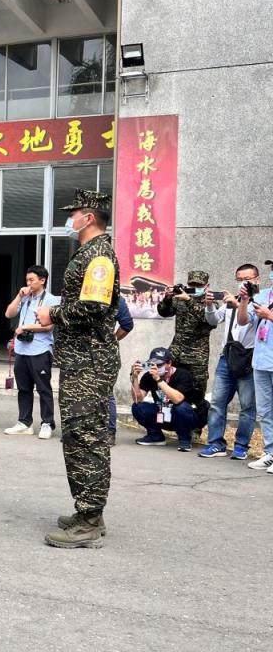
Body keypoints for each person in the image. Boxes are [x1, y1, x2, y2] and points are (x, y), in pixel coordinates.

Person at [35, 189, 119, 549]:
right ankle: (89, 511)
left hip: (91, 362)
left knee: (85, 436)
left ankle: (89, 518)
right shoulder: (89, 254)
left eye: (74, 215)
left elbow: (93, 308)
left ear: (88, 217)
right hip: (82, 359)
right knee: (79, 435)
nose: (69, 221)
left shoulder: (98, 256)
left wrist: (52, 314)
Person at [199, 264, 259, 459]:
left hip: (249, 358)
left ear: (257, 280)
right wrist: (209, 304)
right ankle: (215, 443)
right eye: (240, 279)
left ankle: (241, 446)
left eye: (248, 279)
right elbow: (213, 320)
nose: (244, 282)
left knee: (248, 406)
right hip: (227, 357)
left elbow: (249, 321)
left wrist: (240, 302)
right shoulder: (230, 301)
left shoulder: (261, 302)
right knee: (217, 402)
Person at [4, 265, 61, 439]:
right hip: (22, 350)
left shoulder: (51, 300)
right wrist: (19, 296)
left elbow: (49, 326)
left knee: (43, 388)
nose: (28, 283)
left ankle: (47, 423)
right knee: (23, 388)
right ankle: (24, 422)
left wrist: (25, 327)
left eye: (32, 280)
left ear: (42, 280)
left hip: (40, 350)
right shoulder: (25, 298)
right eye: (27, 280)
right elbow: (9, 313)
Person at [157, 270, 221, 394]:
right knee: (171, 390)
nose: (195, 288)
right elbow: (164, 312)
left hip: (196, 356)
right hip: (176, 353)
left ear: (207, 286)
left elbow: (207, 319)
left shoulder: (211, 303)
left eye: (199, 285)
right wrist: (167, 299)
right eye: (192, 285)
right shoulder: (180, 299)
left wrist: (188, 300)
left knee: (196, 392)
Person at [130, 347, 203, 451]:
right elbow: (138, 399)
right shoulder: (148, 376)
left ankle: (185, 440)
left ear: (169, 363)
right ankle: (155, 436)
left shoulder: (183, 375)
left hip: (185, 418)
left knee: (181, 407)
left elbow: (178, 399)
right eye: (153, 364)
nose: (156, 368)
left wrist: (158, 380)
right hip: (163, 415)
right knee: (138, 407)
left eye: (159, 365)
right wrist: (135, 378)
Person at [238, 265, 273, 474]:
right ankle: (270, 452)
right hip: (261, 361)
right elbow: (243, 320)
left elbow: (266, 317)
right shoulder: (263, 294)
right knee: (266, 410)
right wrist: (244, 301)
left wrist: (269, 315)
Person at [108, 295, 135, 444]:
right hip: (81, 354)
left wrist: (111, 340)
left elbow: (127, 324)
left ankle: (109, 432)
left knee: (106, 393)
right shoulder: (81, 293)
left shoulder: (115, 298)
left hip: (105, 356)